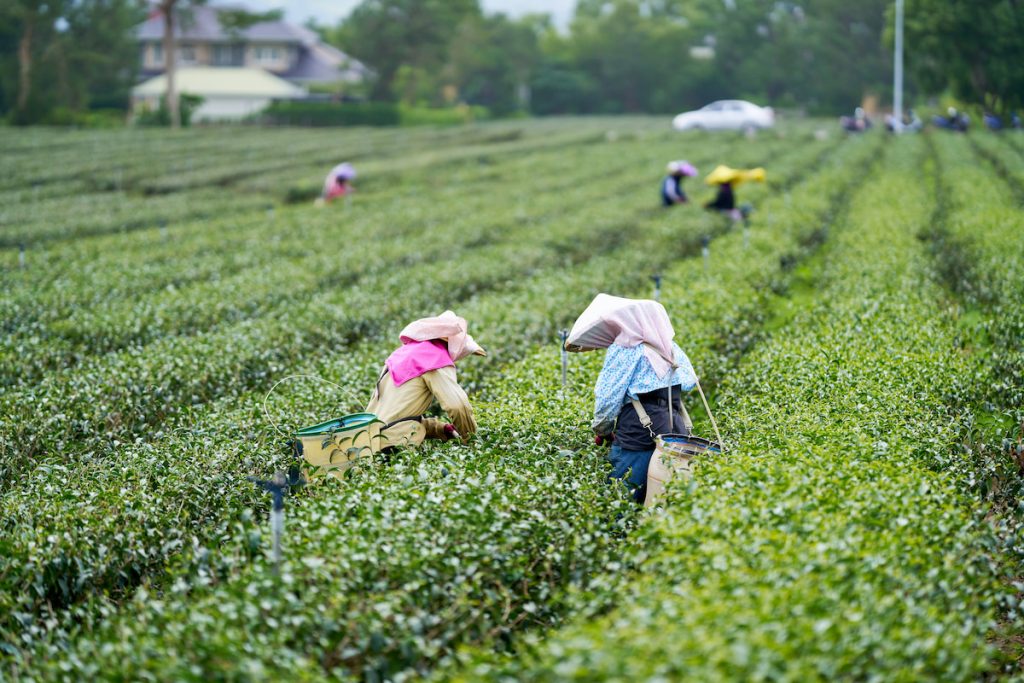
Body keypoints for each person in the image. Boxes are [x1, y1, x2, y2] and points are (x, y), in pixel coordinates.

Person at [590, 301, 698, 504]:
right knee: (668, 499)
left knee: (622, 501)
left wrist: (602, 429)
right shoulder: (670, 347)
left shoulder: (625, 350)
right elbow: (689, 382)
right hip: (674, 427)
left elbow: (607, 397)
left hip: (638, 432)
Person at [365, 310, 484, 451]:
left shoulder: (403, 354)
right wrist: (472, 442)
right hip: (396, 446)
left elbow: (396, 415)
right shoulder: (435, 359)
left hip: (368, 443)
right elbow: (458, 406)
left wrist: (440, 429)